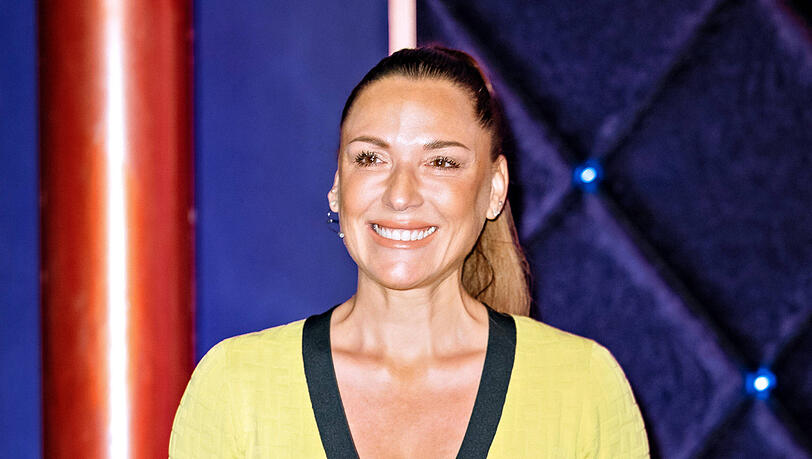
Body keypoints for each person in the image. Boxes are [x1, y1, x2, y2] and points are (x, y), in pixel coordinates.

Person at [169, 46, 649, 458]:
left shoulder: (583, 387)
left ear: (495, 189)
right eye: (370, 158)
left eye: (441, 162)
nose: (401, 195)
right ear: (338, 185)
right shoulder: (235, 385)